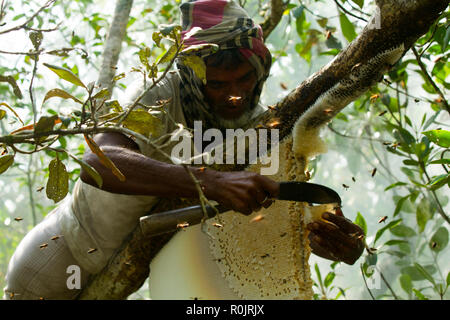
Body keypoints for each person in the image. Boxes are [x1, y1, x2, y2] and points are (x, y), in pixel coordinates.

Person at [3, 0, 364, 300]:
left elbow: (274, 210)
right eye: (218, 84)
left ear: (260, 69)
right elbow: (97, 161)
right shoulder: (161, 94)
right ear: (193, 77)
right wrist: (210, 181)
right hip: (57, 260)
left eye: (244, 79)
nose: (234, 94)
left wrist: (333, 239)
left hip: (120, 280)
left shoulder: (257, 127)